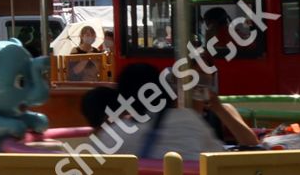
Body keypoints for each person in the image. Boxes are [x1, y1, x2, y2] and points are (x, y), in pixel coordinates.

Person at [99, 62, 257, 161]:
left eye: (204, 80)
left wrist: (219, 109)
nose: (198, 87)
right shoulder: (188, 120)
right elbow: (219, 161)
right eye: (191, 80)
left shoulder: (115, 133)